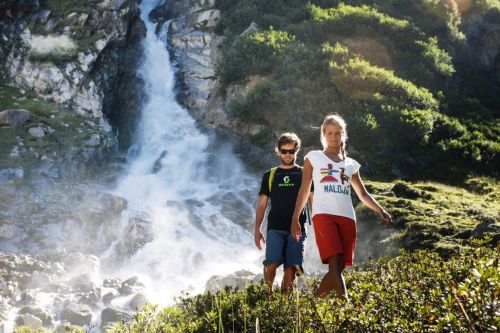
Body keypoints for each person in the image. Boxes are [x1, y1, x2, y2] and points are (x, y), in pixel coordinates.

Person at [291, 114, 391, 300]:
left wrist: (380, 210)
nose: (334, 137)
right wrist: (295, 217)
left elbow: (362, 194)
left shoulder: (351, 164)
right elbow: (304, 190)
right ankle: (344, 299)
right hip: (323, 215)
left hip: (347, 217)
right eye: (330, 133)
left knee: (339, 268)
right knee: (335, 257)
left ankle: (315, 302)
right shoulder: (313, 157)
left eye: (338, 133)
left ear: (343, 135)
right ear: (323, 134)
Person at [255, 133, 312, 294]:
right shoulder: (270, 175)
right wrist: (257, 229)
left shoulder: (304, 173)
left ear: (297, 151)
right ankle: (268, 296)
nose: (288, 154)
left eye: (291, 151)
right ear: (278, 151)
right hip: (275, 227)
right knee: (271, 264)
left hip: (298, 229)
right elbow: (262, 205)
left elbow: (314, 201)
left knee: (291, 270)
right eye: (284, 151)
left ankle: (283, 309)